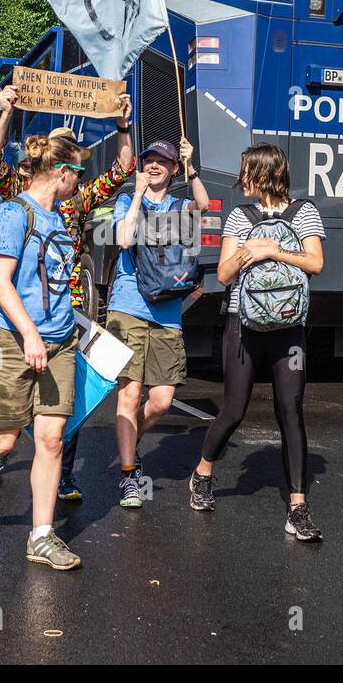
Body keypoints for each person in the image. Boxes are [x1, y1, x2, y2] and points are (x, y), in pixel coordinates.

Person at [0, 84, 134, 501]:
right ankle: (0, 448)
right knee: (11, 412)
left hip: (68, 309)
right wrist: (6, 112)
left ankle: (63, 475)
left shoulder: (80, 200)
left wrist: (123, 126)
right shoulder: (20, 198)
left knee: (67, 401)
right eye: (68, 155)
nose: (75, 166)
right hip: (20, 311)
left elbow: (123, 168)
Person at [0, 131, 86, 570]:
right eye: (78, 174)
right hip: (10, 340)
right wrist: (30, 334)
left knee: (51, 439)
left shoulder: (59, 217)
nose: (80, 183)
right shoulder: (14, 213)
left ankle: (42, 536)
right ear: (62, 173)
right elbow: (0, 282)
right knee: (4, 438)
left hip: (60, 341)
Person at [187, 144, 325, 541]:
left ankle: (298, 506)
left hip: (289, 328)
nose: (240, 179)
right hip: (242, 324)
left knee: (291, 410)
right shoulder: (238, 217)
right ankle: (202, 473)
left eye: (246, 172)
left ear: (264, 175)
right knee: (233, 409)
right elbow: (225, 274)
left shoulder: (305, 213)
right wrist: (250, 249)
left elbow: (316, 262)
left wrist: (276, 250)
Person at [107, 138, 209, 508]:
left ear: (173, 169)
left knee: (162, 400)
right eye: (148, 160)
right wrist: (135, 196)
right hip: (129, 305)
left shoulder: (180, 205)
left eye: (162, 162)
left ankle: (128, 438)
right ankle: (129, 473)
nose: (154, 166)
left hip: (166, 312)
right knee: (130, 393)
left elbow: (204, 206)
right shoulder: (124, 200)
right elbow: (123, 239)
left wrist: (192, 165)